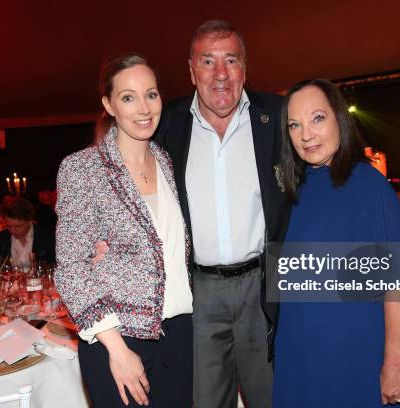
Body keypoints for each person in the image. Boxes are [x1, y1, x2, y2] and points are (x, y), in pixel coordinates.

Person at [155, 19, 290, 408]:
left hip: (261, 287)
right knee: (206, 401)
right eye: (208, 61)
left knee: (271, 398)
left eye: (230, 60)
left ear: (245, 67)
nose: (220, 74)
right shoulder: (166, 124)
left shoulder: (277, 116)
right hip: (199, 293)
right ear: (191, 69)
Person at [55, 54, 193, 408]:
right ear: (109, 105)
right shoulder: (82, 169)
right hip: (117, 340)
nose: (143, 108)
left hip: (179, 336)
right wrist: (116, 348)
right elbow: (71, 267)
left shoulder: (165, 161)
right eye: (128, 97)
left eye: (151, 94)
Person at [272, 79, 400, 407]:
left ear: (339, 118)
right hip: (297, 357)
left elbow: (399, 288)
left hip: (354, 358)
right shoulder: (291, 194)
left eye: (317, 118)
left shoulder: (373, 189)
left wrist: (393, 366)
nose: (306, 135)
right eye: (295, 125)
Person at [0, 197, 55, 272]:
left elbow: (54, 267)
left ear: (30, 220)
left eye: (18, 226)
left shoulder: (48, 237)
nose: (13, 230)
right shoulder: (1, 239)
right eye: (9, 226)